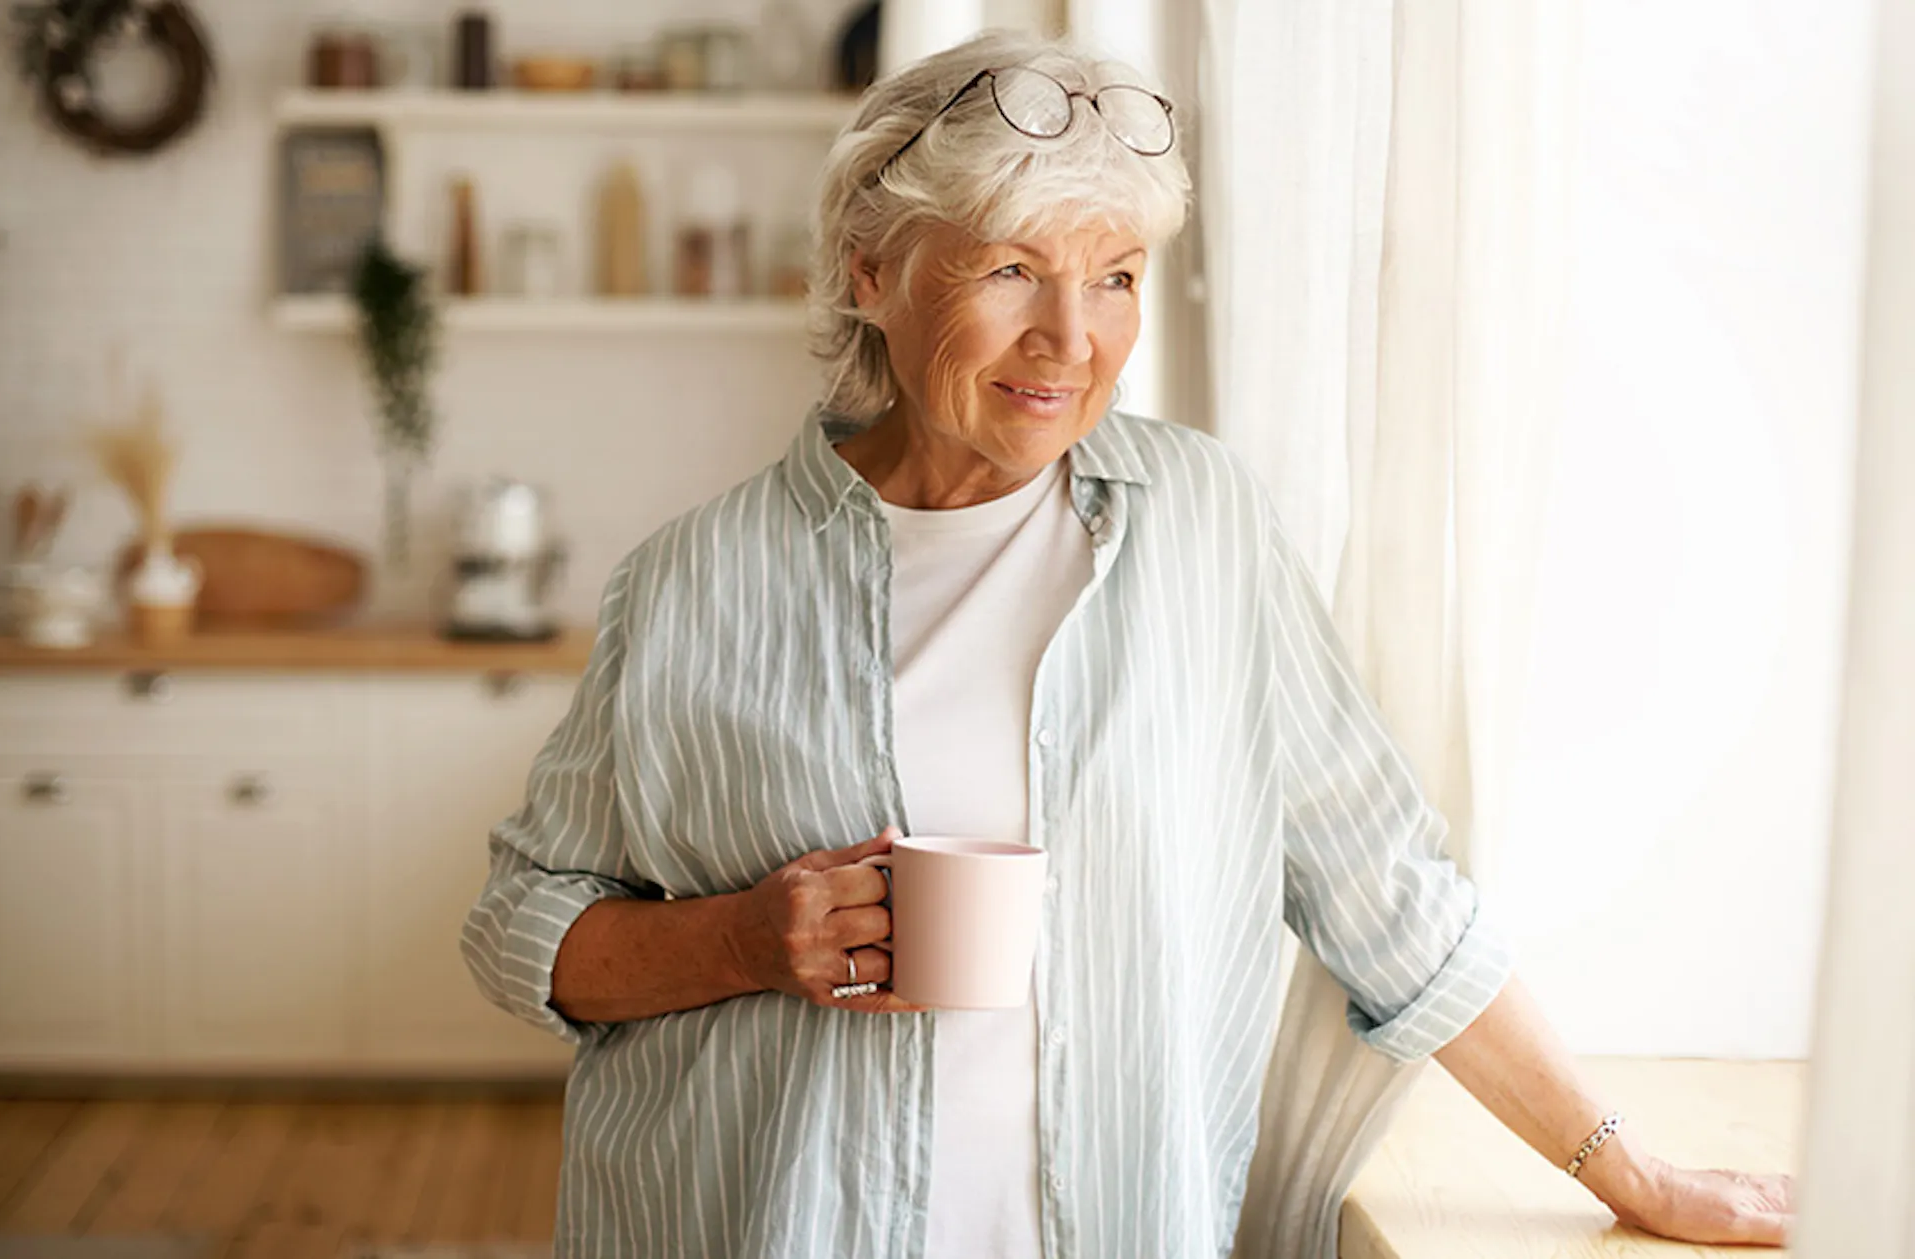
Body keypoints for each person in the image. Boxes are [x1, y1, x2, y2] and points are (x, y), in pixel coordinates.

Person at [462, 29, 1794, 1259]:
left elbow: (1388, 889)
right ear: (872, 270)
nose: (1072, 340)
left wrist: (1632, 1173)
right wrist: (751, 939)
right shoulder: (693, 578)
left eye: (1114, 278)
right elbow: (523, 923)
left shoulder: (1202, 526)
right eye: (1011, 269)